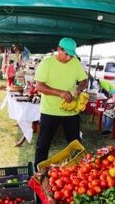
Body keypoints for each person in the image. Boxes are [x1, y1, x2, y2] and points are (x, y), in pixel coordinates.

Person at [34, 37, 88, 166]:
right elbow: (39, 86)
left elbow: (84, 80)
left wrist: (80, 87)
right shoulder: (47, 63)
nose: (69, 58)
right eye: (67, 54)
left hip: (71, 113)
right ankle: (39, 172)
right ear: (59, 49)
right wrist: (60, 93)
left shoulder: (75, 63)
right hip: (50, 111)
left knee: (75, 144)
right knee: (43, 144)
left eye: (71, 55)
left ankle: (79, 170)